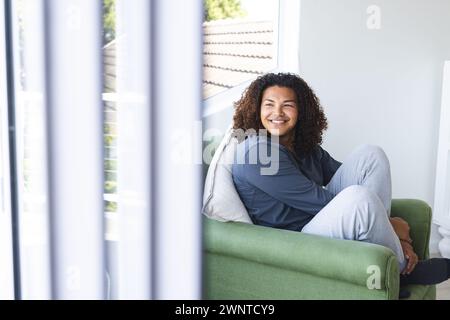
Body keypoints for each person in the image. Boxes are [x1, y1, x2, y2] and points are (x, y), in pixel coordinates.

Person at [231, 72, 450, 296]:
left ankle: (382, 253)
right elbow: (319, 201)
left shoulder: (302, 146)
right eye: (269, 104)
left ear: (301, 111)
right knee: (359, 199)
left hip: (316, 223)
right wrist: (393, 228)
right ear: (256, 109)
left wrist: (389, 228)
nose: (277, 113)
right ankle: (401, 269)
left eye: (287, 105)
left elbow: (354, 176)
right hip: (294, 239)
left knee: (370, 155)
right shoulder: (256, 153)